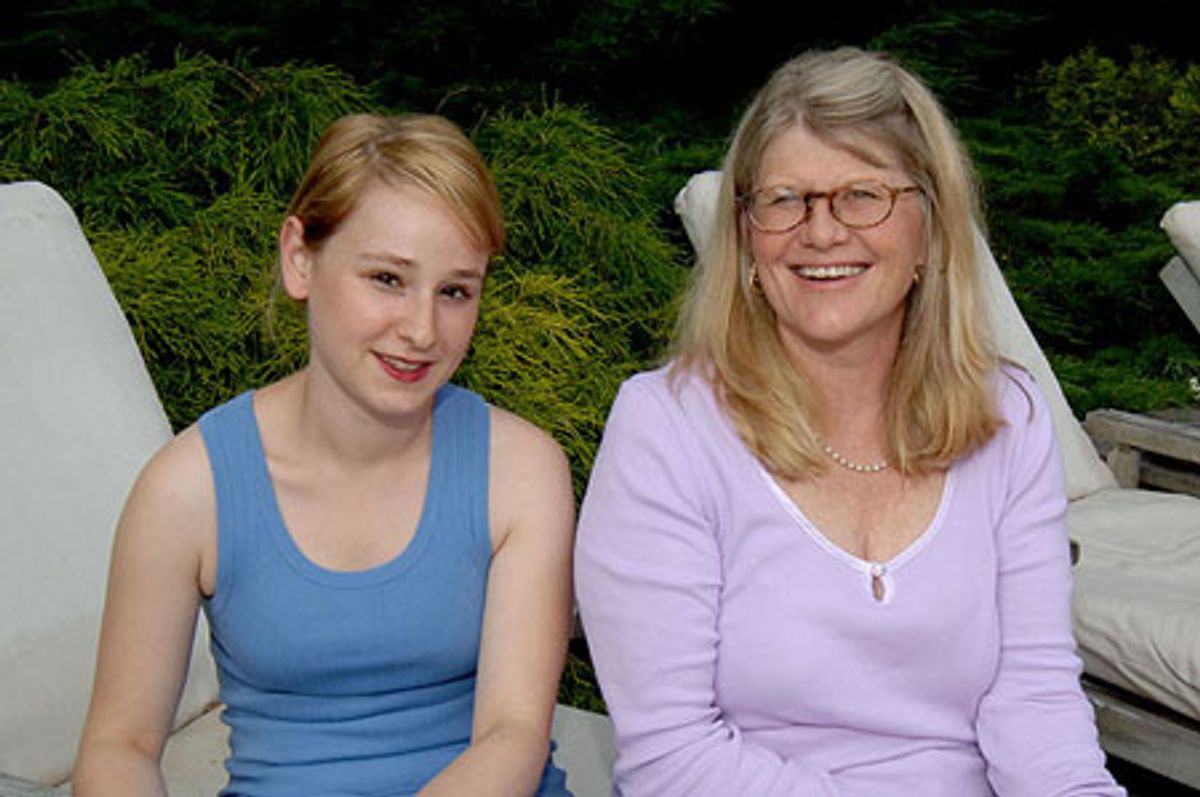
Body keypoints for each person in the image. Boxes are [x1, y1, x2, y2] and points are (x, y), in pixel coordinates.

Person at [574, 47, 1124, 796]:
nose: (822, 232)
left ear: (931, 229)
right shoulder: (666, 428)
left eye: (863, 195)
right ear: (745, 240)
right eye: (784, 199)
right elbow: (673, 756)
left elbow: (1033, 699)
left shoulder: (1007, 417)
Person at [74, 113, 575, 796]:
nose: (423, 330)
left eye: (455, 290)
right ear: (299, 259)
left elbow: (512, 737)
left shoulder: (521, 471)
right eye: (388, 279)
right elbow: (120, 745)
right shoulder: (188, 489)